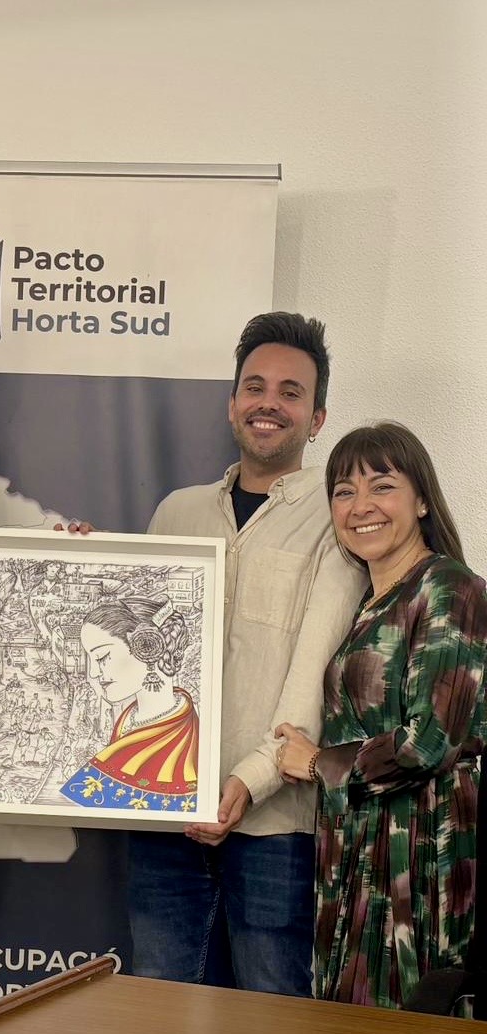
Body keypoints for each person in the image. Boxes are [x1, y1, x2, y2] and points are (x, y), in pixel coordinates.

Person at [128, 312, 366, 995]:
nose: (269, 403)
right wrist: (70, 563)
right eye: (255, 386)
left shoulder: (338, 519)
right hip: (163, 816)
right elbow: (135, 651)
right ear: (232, 403)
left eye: (291, 392)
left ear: (317, 418)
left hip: (274, 826)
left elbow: (314, 678)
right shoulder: (176, 513)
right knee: (159, 1007)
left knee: (270, 1014)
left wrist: (247, 782)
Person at [276, 422, 487, 1009]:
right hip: (356, 851)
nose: (360, 505)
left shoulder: (449, 588)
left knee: (415, 1009)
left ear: (421, 500)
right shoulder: (366, 603)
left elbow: (431, 742)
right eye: (344, 491)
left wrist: (318, 762)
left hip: (420, 853)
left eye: (382, 486)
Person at [60, 596, 199, 812]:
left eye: (101, 657)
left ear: (146, 647)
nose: (94, 673)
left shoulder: (182, 731)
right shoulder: (128, 718)